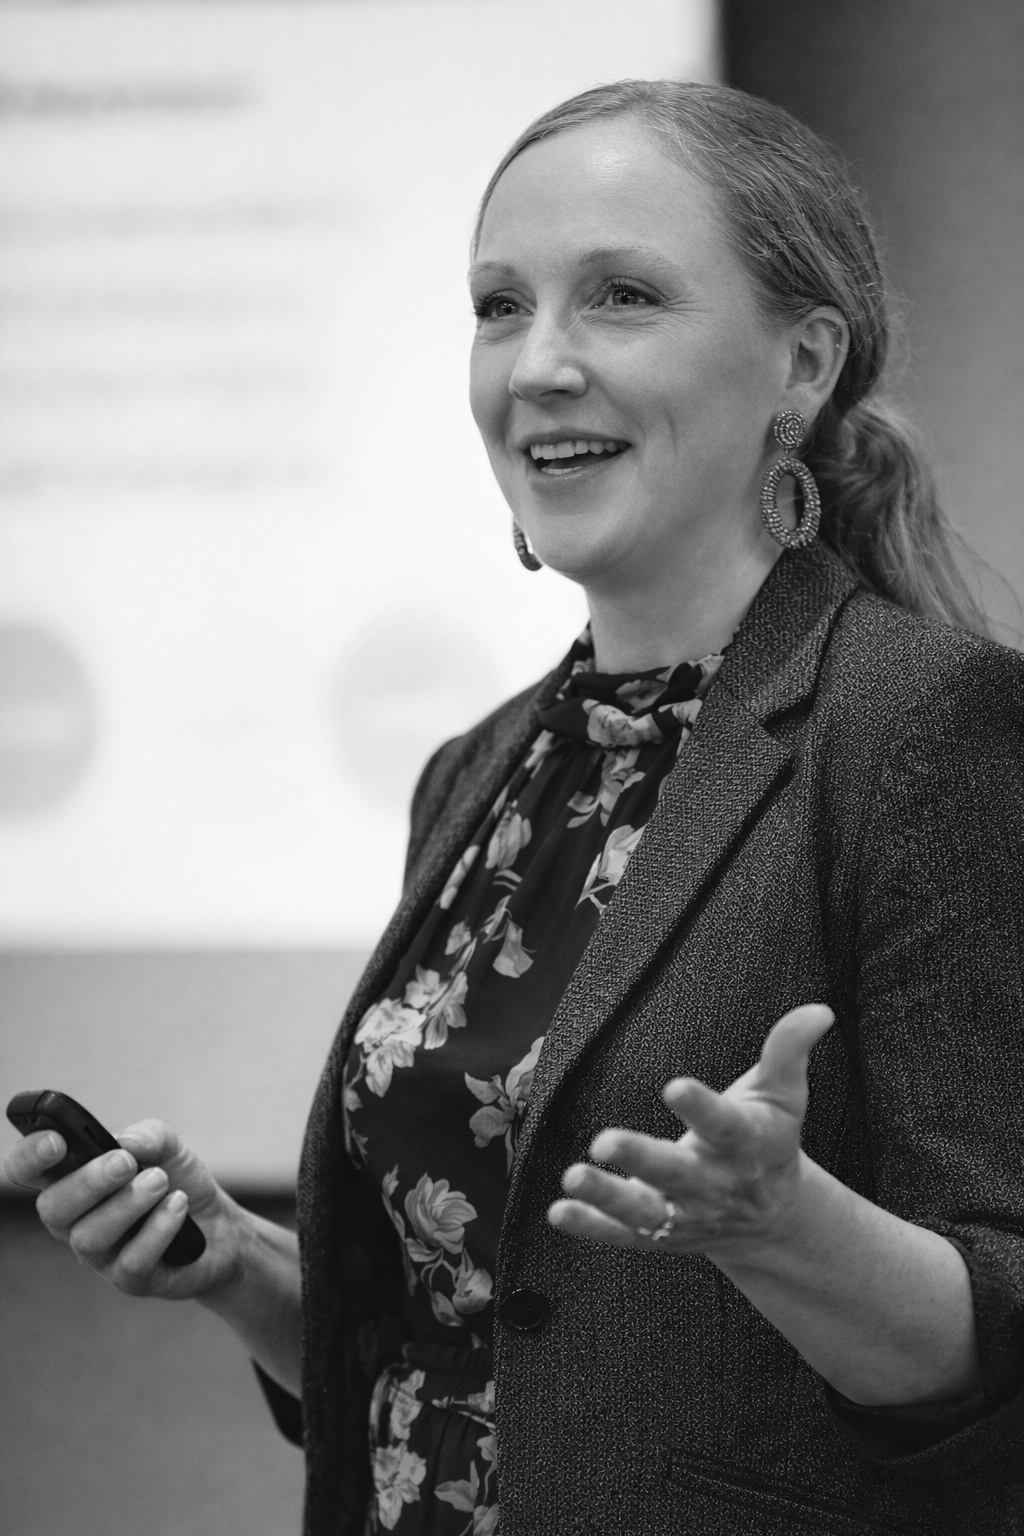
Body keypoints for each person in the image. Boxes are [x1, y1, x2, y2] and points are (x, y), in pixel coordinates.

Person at [6, 80, 1024, 1536]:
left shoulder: (923, 729)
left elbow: (998, 1374)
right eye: (499, 308)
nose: (537, 365)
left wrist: (785, 1231)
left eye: (622, 297)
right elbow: (478, 1362)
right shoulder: (476, 771)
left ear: (801, 364)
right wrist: (240, 1267)